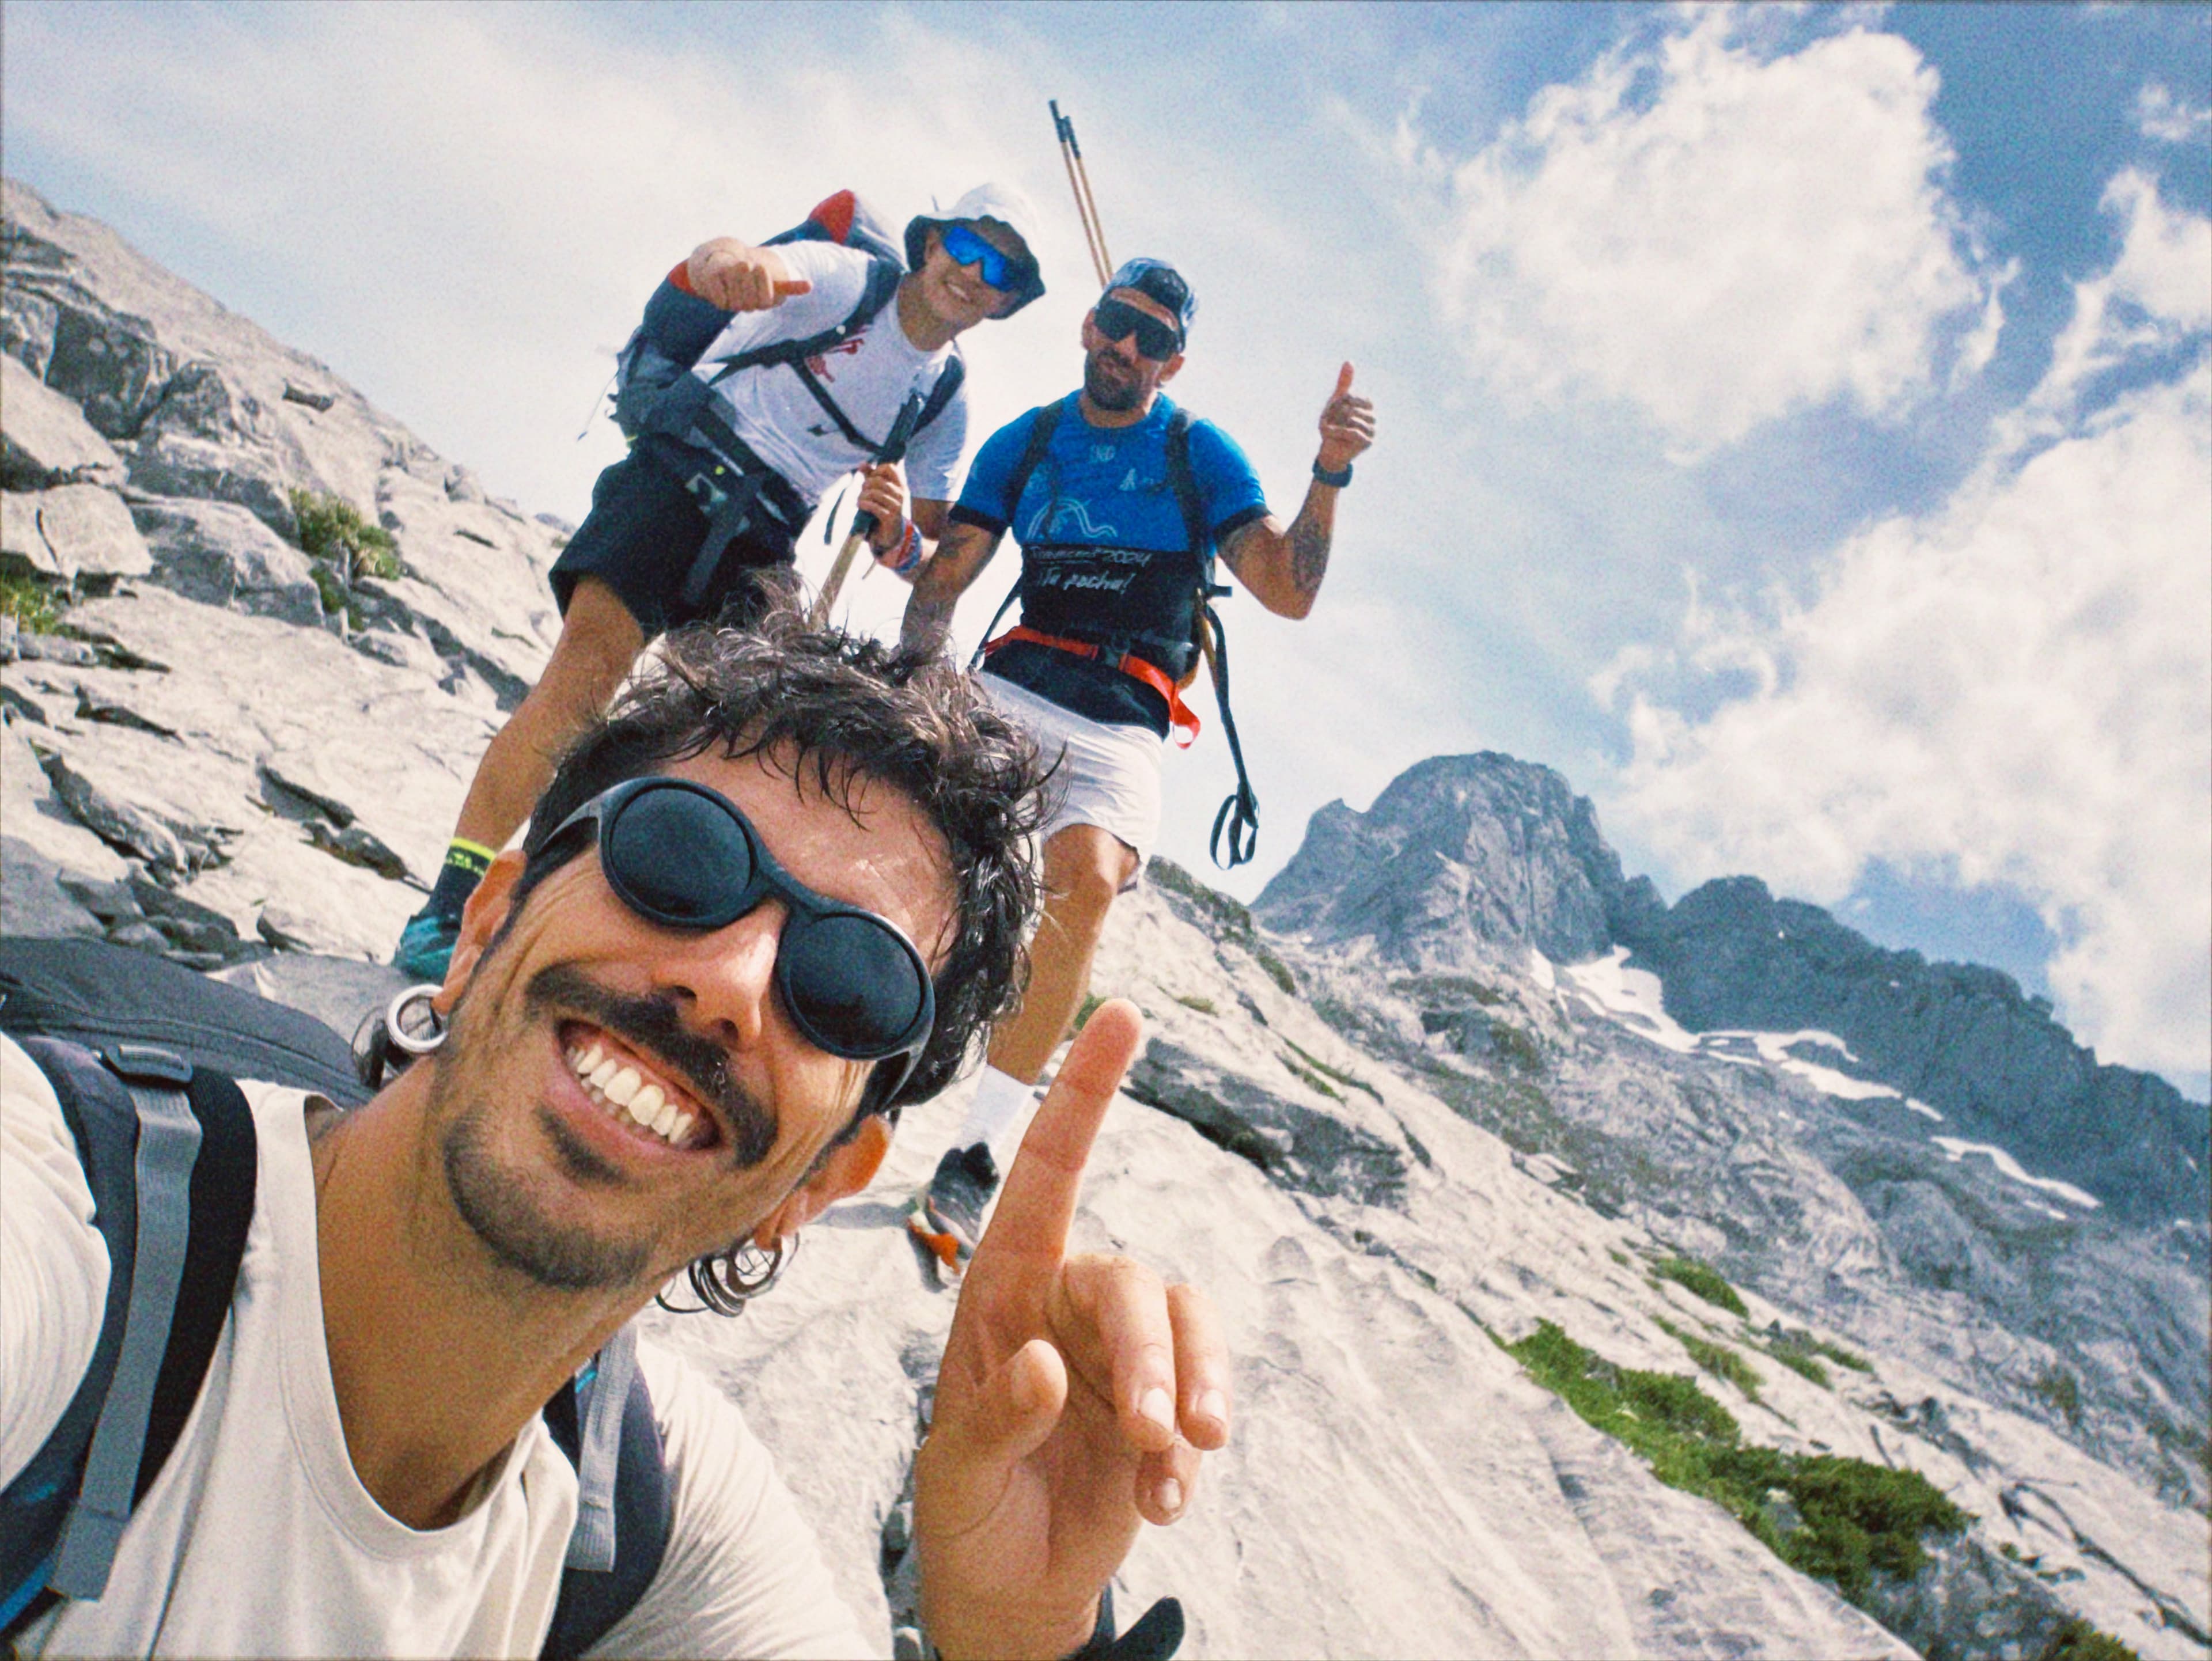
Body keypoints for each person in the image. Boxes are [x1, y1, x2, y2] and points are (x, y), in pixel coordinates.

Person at [1, 605, 1230, 1655]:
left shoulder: (646, 1505)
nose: (733, 983)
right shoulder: (64, 1234)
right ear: (485, 920)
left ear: (817, 1183)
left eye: (847, 984)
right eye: (679, 856)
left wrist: (1017, 1642)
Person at [393, 185, 1047, 982]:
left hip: (762, 539)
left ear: (1010, 300)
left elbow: (932, 540)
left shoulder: (944, 394)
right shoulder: (847, 282)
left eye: (1001, 270)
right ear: (931, 244)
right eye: (968, 250)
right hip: (676, 477)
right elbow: (747, 261)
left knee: (726, 745)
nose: (975, 275)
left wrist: (899, 530)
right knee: (579, 690)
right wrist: (729, 265)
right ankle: (449, 907)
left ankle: (560, 911)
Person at [897, 257, 1377, 1275]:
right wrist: (917, 681)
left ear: (1175, 359)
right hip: (1012, 686)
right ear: (1087, 321)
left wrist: (1328, 472)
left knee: (1090, 881)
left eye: (1152, 338)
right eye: (1118, 323)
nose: (1127, 347)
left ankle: (976, 1156)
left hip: (1124, 720)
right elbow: (949, 576)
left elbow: (1288, 591)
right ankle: (870, 1061)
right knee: (911, 841)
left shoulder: (1199, 454)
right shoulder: (1027, 442)